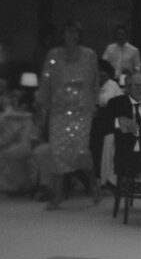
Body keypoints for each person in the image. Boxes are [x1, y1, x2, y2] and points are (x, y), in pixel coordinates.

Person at [36, 20, 101, 210]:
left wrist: (95, 103)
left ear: (79, 35)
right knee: (58, 152)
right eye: (67, 33)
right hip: (59, 110)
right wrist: (42, 106)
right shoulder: (53, 55)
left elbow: (95, 80)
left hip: (82, 111)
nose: (71, 37)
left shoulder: (89, 55)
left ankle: (94, 186)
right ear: (62, 35)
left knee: (80, 151)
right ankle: (57, 194)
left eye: (75, 33)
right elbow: (46, 81)